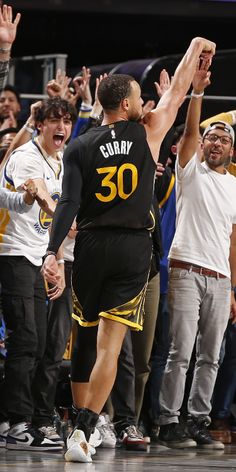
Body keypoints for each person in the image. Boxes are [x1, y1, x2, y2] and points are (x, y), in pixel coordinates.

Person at [41, 37, 216, 463]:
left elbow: (67, 204)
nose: (145, 102)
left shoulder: (80, 146)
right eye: (139, 97)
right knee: (110, 346)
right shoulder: (148, 131)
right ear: (125, 105)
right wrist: (195, 48)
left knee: (84, 339)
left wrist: (51, 253)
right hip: (131, 247)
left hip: (91, 247)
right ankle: (83, 430)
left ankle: (81, 428)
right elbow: (175, 92)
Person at [158, 58, 236, 450]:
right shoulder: (189, 170)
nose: (216, 141)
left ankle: (198, 420)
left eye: (223, 138)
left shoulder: (235, 187)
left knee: (211, 356)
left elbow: (233, 240)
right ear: (202, 144)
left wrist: (233, 287)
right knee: (181, 353)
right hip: (186, 271)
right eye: (211, 137)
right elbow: (190, 130)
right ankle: (169, 421)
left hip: (221, 281)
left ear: (231, 149)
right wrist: (198, 92)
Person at [0, 96, 77, 451]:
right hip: (13, 253)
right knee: (25, 339)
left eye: (66, 121)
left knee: (41, 342)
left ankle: (20, 418)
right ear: (41, 124)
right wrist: (54, 208)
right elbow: (38, 190)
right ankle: (15, 422)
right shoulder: (27, 156)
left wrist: (57, 261)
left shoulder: (61, 161)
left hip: (37, 257)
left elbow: (51, 225)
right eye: (54, 120)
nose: (61, 127)